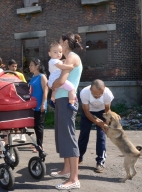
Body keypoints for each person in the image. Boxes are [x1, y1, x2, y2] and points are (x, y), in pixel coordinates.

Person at [50, 32, 83, 190]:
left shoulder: (71, 57)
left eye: (60, 41)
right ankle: (67, 170)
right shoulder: (68, 57)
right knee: (63, 135)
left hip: (66, 100)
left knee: (69, 137)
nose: (58, 45)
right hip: (62, 99)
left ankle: (74, 179)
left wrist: (53, 85)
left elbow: (61, 81)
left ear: (65, 42)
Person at [78, 79, 114, 173]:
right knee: (84, 134)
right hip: (88, 112)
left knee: (101, 136)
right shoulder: (84, 92)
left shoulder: (107, 94)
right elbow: (86, 111)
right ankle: (79, 157)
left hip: (102, 113)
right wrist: (98, 122)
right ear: (90, 89)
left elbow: (107, 111)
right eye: (95, 94)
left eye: (100, 94)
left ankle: (100, 162)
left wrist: (105, 124)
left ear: (104, 90)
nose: (98, 96)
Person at [47, 42, 77, 111]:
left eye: (60, 52)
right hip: (57, 79)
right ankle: (71, 103)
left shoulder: (54, 61)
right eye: (55, 52)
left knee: (55, 90)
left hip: (52, 81)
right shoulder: (54, 61)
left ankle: (52, 100)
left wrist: (63, 61)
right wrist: (70, 66)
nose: (58, 54)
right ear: (49, 54)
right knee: (72, 89)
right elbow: (61, 66)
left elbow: (60, 63)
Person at [28, 59, 48, 153]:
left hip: (40, 104)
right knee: (35, 126)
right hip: (33, 105)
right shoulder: (33, 77)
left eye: (31, 65)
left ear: (37, 66)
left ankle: (40, 146)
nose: (29, 67)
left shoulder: (42, 77)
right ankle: (38, 143)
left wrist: (43, 104)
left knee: (39, 126)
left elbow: (45, 90)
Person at [7, 59, 27, 143]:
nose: (14, 68)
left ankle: (23, 135)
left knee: (20, 115)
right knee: (13, 116)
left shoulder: (20, 74)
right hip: (11, 98)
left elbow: (25, 85)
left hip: (19, 97)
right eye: (12, 66)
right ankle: (16, 133)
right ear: (8, 66)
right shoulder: (6, 75)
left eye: (15, 66)